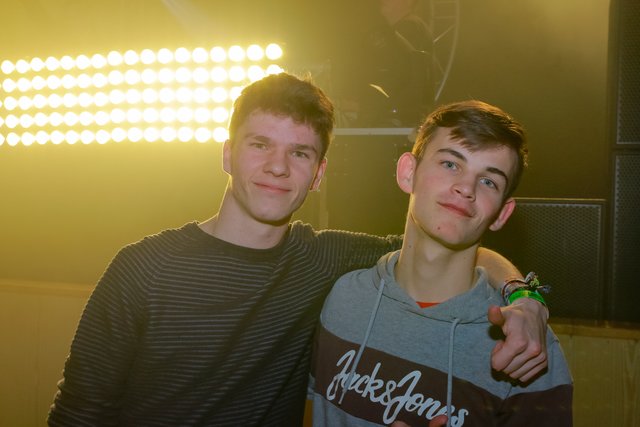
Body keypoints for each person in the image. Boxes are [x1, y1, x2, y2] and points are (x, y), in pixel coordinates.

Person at [48, 74, 548, 426]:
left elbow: (443, 243)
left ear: (319, 173)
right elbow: (78, 414)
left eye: (300, 152)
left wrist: (524, 297)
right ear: (227, 154)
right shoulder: (143, 268)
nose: (278, 166)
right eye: (260, 145)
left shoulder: (322, 260)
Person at [310, 100, 572, 426]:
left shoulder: (524, 345)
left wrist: (526, 295)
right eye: (450, 163)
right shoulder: (344, 298)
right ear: (408, 173)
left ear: (501, 214)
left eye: (489, 181)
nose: (466, 188)